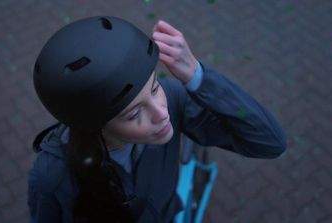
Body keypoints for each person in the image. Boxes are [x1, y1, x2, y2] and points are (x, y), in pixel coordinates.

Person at [27, 16, 287, 223]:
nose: (162, 113)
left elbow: (269, 142)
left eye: (154, 87)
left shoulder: (173, 99)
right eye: (134, 114)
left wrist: (197, 76)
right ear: (96, 126)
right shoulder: (52, 178)